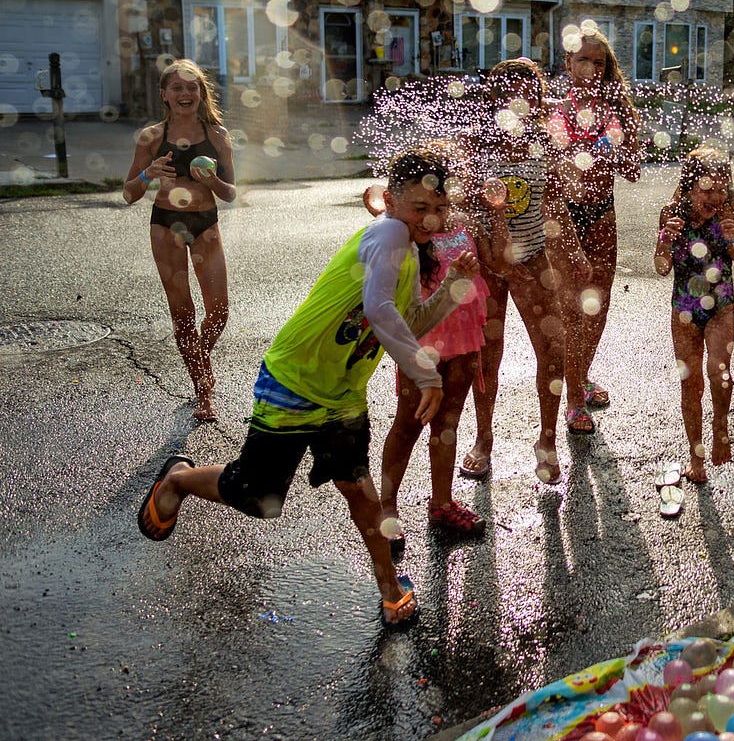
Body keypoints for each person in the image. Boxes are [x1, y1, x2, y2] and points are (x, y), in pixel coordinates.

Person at [136, 149, 483, 628]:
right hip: (296, 379)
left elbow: (409, 321)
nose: (430, 218)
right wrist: (426, 374)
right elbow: (380, 310)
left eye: (440, 208)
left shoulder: (410, 251)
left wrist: (454, 288)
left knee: (359, 489)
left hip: (342, 393)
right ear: (391, 199)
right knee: (257, 496)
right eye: (419, 206)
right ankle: (177, 478)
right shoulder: (387, 233)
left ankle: (388, 586)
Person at [460, 58, 589, 486]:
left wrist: (573, 249)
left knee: (552, 350)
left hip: (534, 260)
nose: (520, 98)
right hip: (488, 268)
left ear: (537, 97)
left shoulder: (544, 142)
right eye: (510, 89)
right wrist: (491, 255)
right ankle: (483, 438)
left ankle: (547, 440)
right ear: (495, 96)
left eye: (528, 90)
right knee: (486, 358)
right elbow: (460, 208)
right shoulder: (475, 143)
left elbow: (555, 204)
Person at [371, 177, 507, 555]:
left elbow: (496, 263)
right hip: (422, 338)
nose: (435, 214)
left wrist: (496, 215)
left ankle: (442, 503)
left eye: (442, 204)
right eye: (426, 203)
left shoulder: (469, 223)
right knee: (408, 423)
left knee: (448, 422)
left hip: (464, 335)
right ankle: (387, 506)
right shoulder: (407, 230)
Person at [122, 59, 237, 422]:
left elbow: (231, 192)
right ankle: (204, 390)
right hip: (165, 225)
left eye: (192, 87)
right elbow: (128, 193)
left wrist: (213, 182)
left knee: (218, 312)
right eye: (177, 88)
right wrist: (148, 173)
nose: (185, 93)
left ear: (201, 93)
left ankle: (199, 359)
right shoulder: (151, 137)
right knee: (183, 314)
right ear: (165, 95)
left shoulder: (217, 135)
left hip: (206, 223)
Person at [544, 27, 642, 435]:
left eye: (599, 62)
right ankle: (572, 401)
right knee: (570, 312)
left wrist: (624, 143)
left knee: (596, 308)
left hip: (603, 215)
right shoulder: (554, 110)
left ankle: (580, 376)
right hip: (564, 217)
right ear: (568, 62)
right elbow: (550, 177)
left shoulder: (616, 111)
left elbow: (633, 172)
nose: (592, 68)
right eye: (584, 59)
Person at [653, 145, 734, 484]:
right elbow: (661, 267)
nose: (716, 197)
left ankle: (720, 425)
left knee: (717, 371)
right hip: (684, 309)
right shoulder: (670, 213)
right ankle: (696, 456)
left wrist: (733, 238)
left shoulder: (729, 209)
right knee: (690, 383)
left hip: (722, 304)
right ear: (690, 186)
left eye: (722, 189)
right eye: (708, 190)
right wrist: (665, 241)